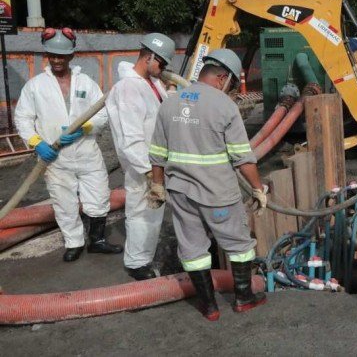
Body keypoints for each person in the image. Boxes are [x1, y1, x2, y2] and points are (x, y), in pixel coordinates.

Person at [148, 48, 268, 321]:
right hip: (218, 193)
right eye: (231, 84)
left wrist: (157, 186)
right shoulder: (225, 106)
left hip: (180, 192)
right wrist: (258, 189)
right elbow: (242, 157)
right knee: (239, 245)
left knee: (192, 249)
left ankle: (209, 306)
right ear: (223, 77)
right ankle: (243, 298)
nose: (230, 89)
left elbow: (157, 152)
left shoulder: (170, 102)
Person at [15, 28, 122, 262]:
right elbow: (22, 118)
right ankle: (74, 243)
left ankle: (98, 241)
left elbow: (102, 113)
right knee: (64, 202)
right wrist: (37, 143)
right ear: (47, 55)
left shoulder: (86, 82)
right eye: (52, 55)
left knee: (98, 196)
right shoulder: (35, 86)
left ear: (71, 56)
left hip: (86, 152)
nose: (56, 60)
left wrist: (83, 129)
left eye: (61, 56)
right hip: (55, 157)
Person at [106, 33, 176, 280]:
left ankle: (145, 255)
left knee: (154, 213)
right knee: (141, 213)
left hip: (157, 163)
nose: (164, 69)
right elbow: (130, 137)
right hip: (143, 167)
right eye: (162, 64)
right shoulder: (128, 89)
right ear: (149, 57)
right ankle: (137, 263)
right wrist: (149, 171)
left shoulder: (151, 83)